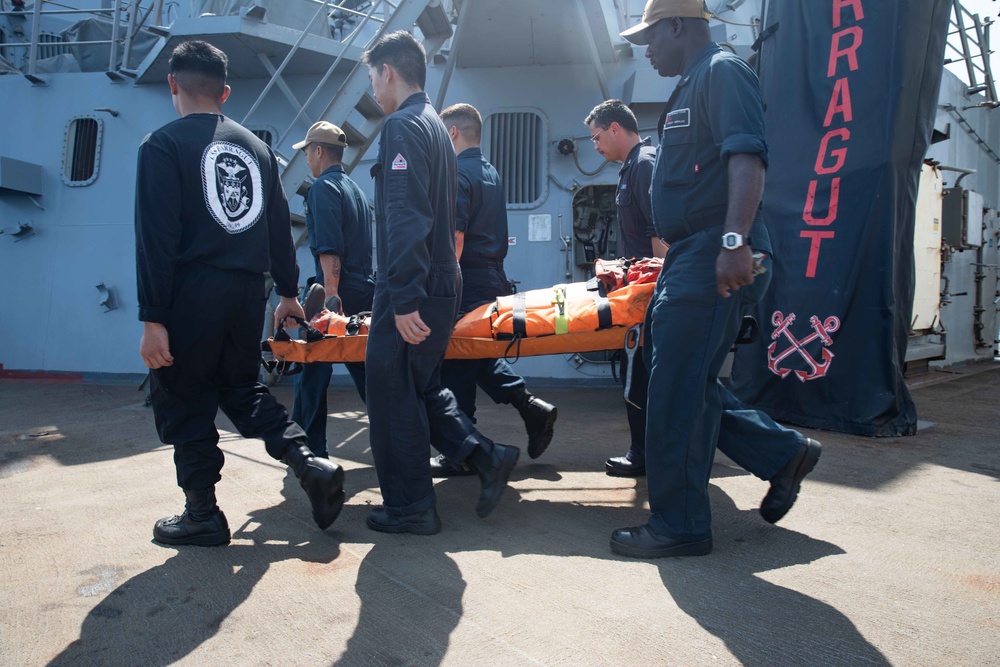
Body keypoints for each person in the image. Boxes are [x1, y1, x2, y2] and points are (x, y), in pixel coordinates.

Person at [611, 0, 821, 558]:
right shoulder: (694, 82)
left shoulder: (722, 73)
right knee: (683, 381)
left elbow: (746, 159)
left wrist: (734, 242)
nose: (646, 51)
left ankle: (680, 524)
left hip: (715, 249)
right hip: (693, 252)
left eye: (650, 39)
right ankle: (782, 455)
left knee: (676, 389)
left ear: (678, 26)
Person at [135, 40, 345, 547]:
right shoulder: (258, 150)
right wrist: (291, 294)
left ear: (172, 85)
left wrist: (153, 317)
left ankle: (202, 514)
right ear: (225, 92)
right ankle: (309, 460)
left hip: (191, 294)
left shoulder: (161, 147)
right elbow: (278, 229)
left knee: (184, 396)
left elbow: (156, 239)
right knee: (241, 389)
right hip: (248, 293)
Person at [361, 31, 520, 535]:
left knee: (391, 395)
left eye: (372, 77)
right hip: (439, 280)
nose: (373, 89)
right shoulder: (433, 124)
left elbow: (406, 214)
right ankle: (485, 455)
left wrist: (403, 295)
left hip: (413, 284)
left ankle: (411, 507)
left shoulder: (403, 127)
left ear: (388, 71)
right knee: (420, 385)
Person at [429, 103, 558, 478]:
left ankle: (463, 452)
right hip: (492, 278)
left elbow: (455, 236)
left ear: (451, 133)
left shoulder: (454, 172)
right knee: (475, 354)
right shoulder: (490, 172)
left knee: (455, 358)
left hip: (465, 279)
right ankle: (527, 404)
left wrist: (444, 289)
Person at [584, 99, 667, 478]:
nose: (596, 145)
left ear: (616, 129)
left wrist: (658, 290)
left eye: (598, 137)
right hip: (640, 288)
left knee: (640, 375)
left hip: (650, 291)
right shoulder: (634, 166)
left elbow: (659, 233)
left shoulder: (644, 163)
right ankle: (647, 451)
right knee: (640, 374)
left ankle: (643, 454)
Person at [289, 121, 375, 458]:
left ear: (319, 151)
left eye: (308, 151)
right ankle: (398, 431)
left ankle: (310, 449)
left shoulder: (322, 189)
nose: (307, 157)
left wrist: (330, 300)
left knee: (311, 366)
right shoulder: (355, 189)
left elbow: (329, 249)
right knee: (366, 369)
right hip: (363, 290)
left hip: (335, 292)